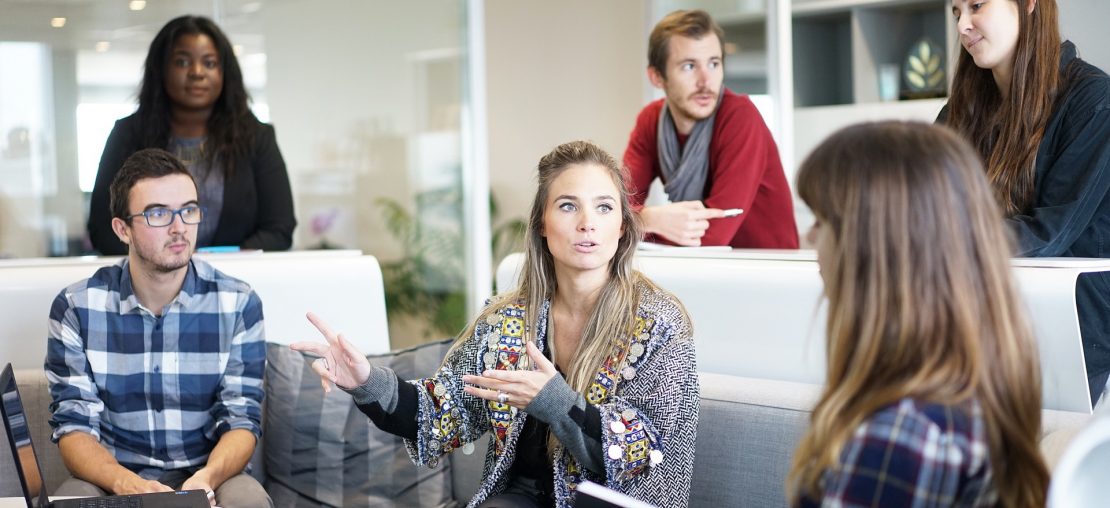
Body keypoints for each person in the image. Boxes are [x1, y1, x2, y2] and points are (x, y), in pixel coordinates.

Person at [292, 141, 699, 507]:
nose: (587, 222)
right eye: (568, 205)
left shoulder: (660, 323)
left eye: (604, 207)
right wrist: (366, 381)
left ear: (622, 226)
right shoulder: (507, 319)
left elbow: (645, 455)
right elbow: (442, 413)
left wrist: (557, 402)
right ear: (542, 223)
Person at [789, 121, 1049, 507]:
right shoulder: (967, 394)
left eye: (821, 221)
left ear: (873, 248)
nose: (810, 238)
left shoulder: (899, 436)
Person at [46, 149, 270, 507]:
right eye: (158, 214)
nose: (179, 227)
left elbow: (242, 418)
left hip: (209, 472)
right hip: (113, 475)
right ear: (123, 229)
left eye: (189, 210)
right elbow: (73, 427)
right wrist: (127, 484)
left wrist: (204, 482)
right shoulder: (77, 307)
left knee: (249, 501)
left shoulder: (239, 302)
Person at [940, 0, 1110, 405]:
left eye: (977, 5)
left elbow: (1049, 232)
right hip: (984, 331)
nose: (963, 25)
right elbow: (925, 208)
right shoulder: (960, 111)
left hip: (1074, 338)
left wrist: (936, 241)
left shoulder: (1092, 100)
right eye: (956, 11)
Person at [87, 15, 295, 255]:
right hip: (150, 285)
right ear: (161, 70)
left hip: (236, 282)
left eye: (210, 63)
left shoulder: (257, 138)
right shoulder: (128, 135)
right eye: (182, 62)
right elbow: (103, 229)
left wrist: (217, 268)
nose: (197, 72)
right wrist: (164, 265)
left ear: (225, 73)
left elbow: (279, 229)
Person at [622, 9, 798, 248]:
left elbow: (713, 235)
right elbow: (614, 209)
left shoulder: (740, 117)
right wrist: (649, 218)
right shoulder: (650, 121)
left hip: (766, 271)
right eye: (689, 66)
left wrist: (637, 222)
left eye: (714, 64)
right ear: (657, 77)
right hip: (702, 268)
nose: (706, 81)